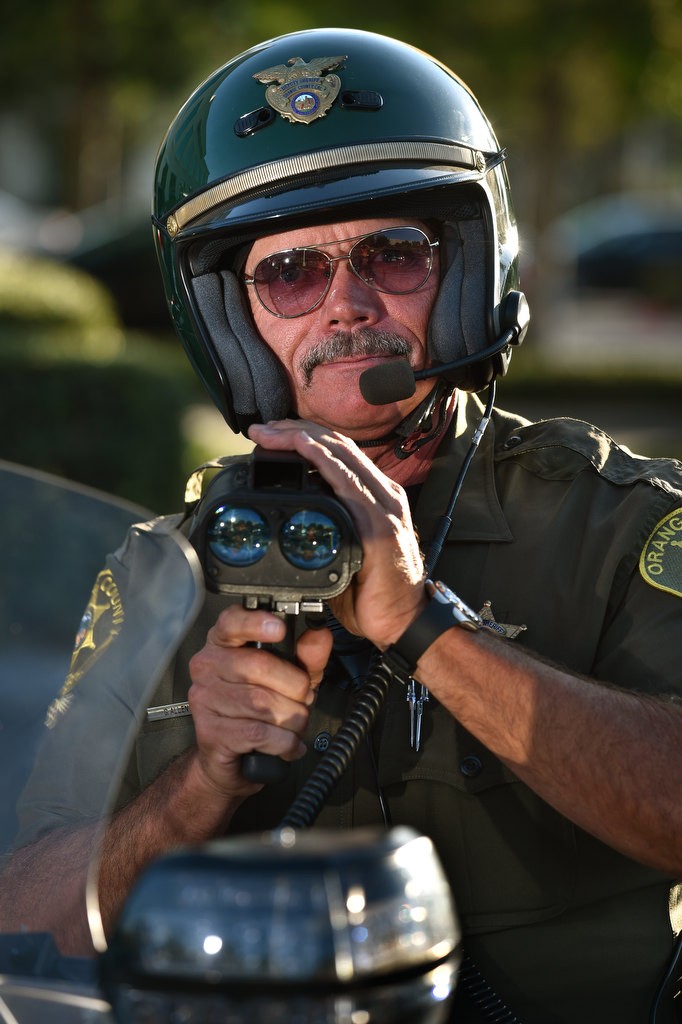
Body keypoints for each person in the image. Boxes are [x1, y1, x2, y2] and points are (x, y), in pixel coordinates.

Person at [2, 27, 682, 1024]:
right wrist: (200, 782)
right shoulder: (163, 574)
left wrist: (428, 629)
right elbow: (27, 918)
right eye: (287, 275)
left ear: (462, 277)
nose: (346, 306)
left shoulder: (618, 522)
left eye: (393, 255)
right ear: (229, 322)